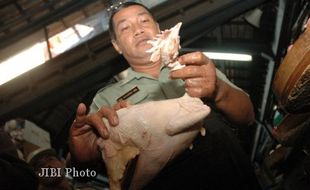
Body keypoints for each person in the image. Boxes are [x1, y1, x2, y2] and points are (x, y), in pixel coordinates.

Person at [69, 2, 260, 189]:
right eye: (125, 27)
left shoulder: (196, 67)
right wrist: (84, 156)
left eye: (144, 21)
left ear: (158, 28)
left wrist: (219, 90)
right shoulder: (105, 99)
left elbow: (248, 116)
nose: (138, 30)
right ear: (116, 45)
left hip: (230, 171)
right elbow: (87, 172)